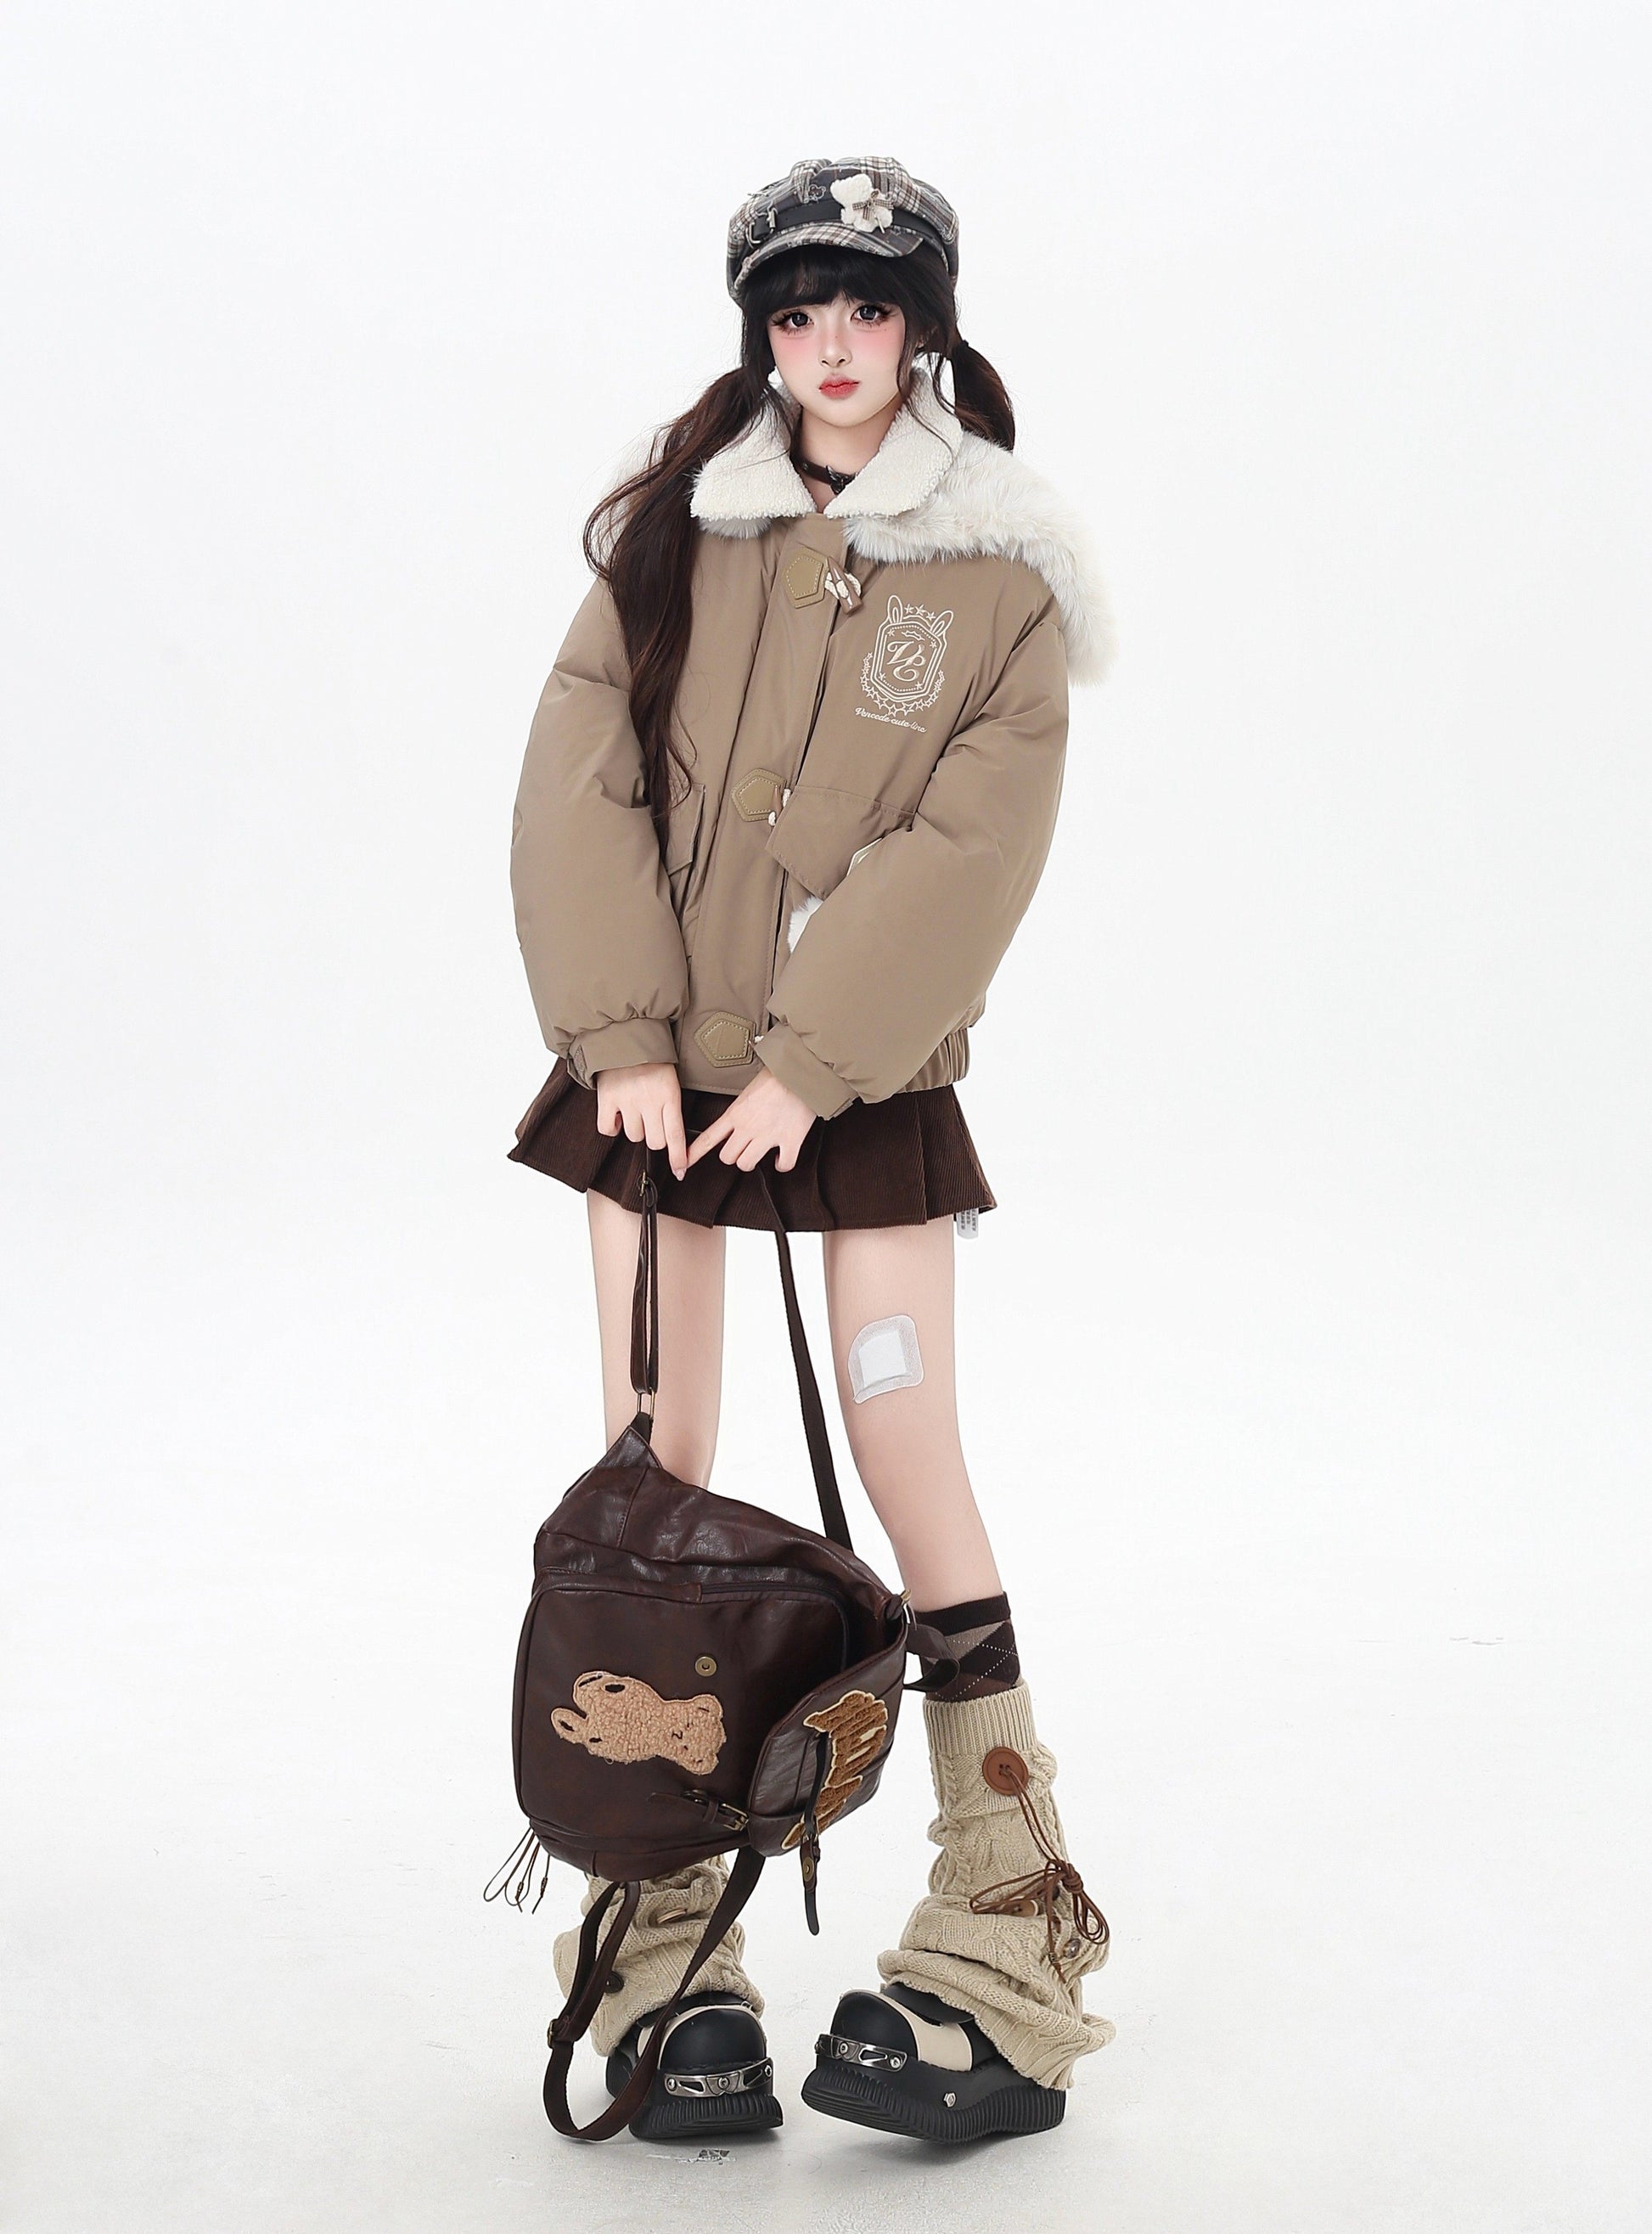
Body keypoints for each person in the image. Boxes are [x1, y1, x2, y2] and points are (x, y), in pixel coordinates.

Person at [508, 156, 1116, 2145]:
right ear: (759, 334)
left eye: (866, 311)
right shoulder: (679, 533)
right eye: (796, 314)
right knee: (651, 1457)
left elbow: (972, 843)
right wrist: (619, 1031)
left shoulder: (998, 573)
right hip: (652, 1089)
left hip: (853, 1093)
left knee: (904, 1437)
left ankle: (1006, 1928)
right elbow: (581, 766)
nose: (831, 348)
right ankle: (656, 1937)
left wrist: (813, 1058)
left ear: (923, 325)